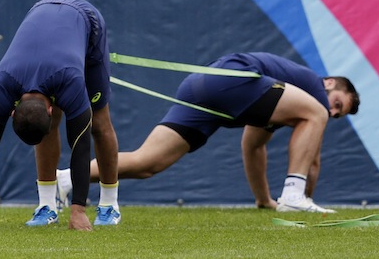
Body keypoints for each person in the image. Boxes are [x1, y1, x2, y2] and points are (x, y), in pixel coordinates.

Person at [59, 52, 360, 213]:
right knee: (314, 114)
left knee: (146, 163)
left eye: (338, 115)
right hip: (231, 78)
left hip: (201, 86)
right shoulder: (314, 97)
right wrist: (302, 196)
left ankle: (65, 179)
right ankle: (293, 196)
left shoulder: (277, 106)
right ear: (330, 83)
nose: (331, 112)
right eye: (337, 104)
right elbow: (314, 160)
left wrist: (264, 200)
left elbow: (253, 147)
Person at [0, 0, 120, 232]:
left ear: (12, 112)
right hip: (41, 10)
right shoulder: (3, 85)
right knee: (39, 123)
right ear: (12, 110)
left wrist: (78, 211)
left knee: (99, 123)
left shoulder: (69, 81)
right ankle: (47, 205)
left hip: (86, 21)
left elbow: (80, 145)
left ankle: (109, 204)